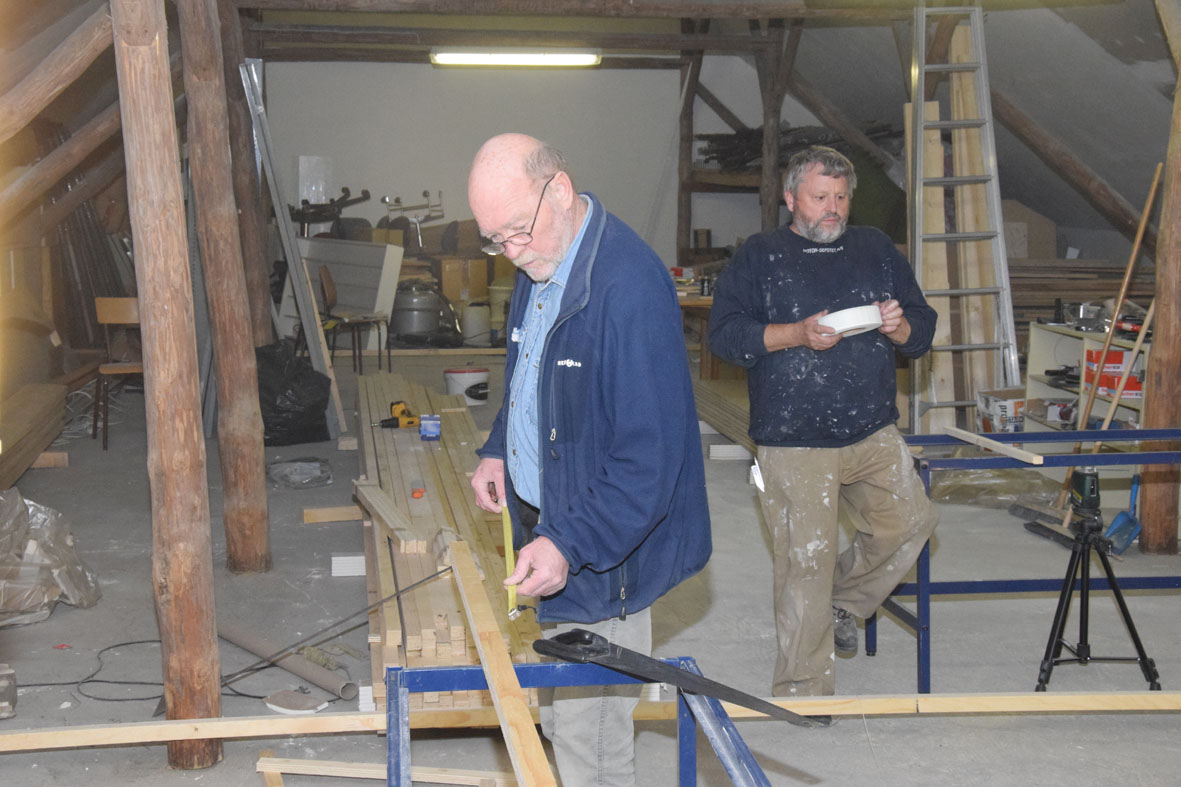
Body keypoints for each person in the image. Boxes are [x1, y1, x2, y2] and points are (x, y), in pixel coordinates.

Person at [467, 133, 711, 784]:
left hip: (605, 554)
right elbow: (529, 374)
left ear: (560, 190)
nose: (510, 252)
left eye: (516, 230)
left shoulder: (629, 288)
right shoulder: (542, 262)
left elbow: (649, 460)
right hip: (563, 528)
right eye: (494, 239)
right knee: (562, 724)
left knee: (591, 745)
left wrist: (569, 542)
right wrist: (499, 449)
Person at [708, 145, 940, 705]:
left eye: (840, 197)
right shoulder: (761, 255)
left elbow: (922, 326)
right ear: (791, 198)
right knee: (804, 564)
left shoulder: (875, 247)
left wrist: (900, 327)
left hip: (872, 428)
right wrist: (795, 334)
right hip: (793, 437)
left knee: (911, 524)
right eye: (819, 197)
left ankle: (842, 601)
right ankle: (803, 691)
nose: (832, 208)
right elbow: (725, 337)